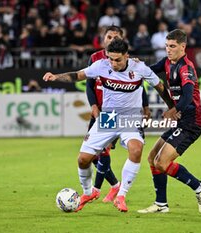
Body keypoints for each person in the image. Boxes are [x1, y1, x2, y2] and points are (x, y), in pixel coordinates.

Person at [43, 39, 175, 212]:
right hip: (109, 118)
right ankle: (88, 192)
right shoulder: (101, 66)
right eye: (110, 59)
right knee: (83, 159)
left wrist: (172, 107)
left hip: (130, 119)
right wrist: (56, 77)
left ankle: (121, 195)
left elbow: (159, 86)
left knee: (135, 150)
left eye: (117, 60)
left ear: (127, 56)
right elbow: (78, 75)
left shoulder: (139, 68)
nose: (113, 63)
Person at [137, 29, 201, 214]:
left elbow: (186, 98)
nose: (168, 50)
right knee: (152, 158)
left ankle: (200, 187)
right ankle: (161, 204)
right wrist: (137, 66)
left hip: (191, 123)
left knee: (161, 162)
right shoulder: (168, 62)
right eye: (166, 46)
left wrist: (173, 110)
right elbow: (150, 70)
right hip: (181, 121)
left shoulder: (186, 68)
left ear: (183, 47)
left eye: (172, 46)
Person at [82, 25, 150, 210]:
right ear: (103, 39)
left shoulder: (130, 62)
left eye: (116, 37)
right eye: (109, 37)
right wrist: (94, 106)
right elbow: (89, 85)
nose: (112, 40)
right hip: (102, 111)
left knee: (105, 152)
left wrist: (145, 106)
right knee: (94, 155)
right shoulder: (96, 58)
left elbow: (139, 86)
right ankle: (113, 186)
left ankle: (106, 189)